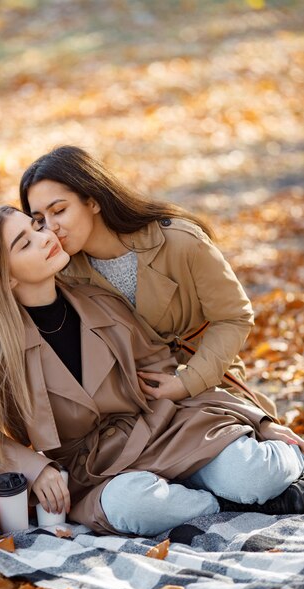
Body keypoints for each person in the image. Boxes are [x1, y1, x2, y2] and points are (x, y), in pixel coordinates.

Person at [0, 206, 304, 538]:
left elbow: (168, 379)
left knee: (259, 474)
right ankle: (219, 501)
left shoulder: (102, 301)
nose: (46, 236)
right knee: (134, 507)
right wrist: (35, 467)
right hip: (96, 470)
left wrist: (260, 421)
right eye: (26, 244)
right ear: (3, 278)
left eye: (37, 227)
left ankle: (280, 468)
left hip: (165, 429)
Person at [19, 145, 275, 417]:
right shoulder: (64, 273)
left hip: (206, 380)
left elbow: (233, 317)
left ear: (92, 201)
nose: (51, 228)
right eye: (39, 220)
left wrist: (187, 382)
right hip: (129, 404)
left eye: (58, 211)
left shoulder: (180, 242)